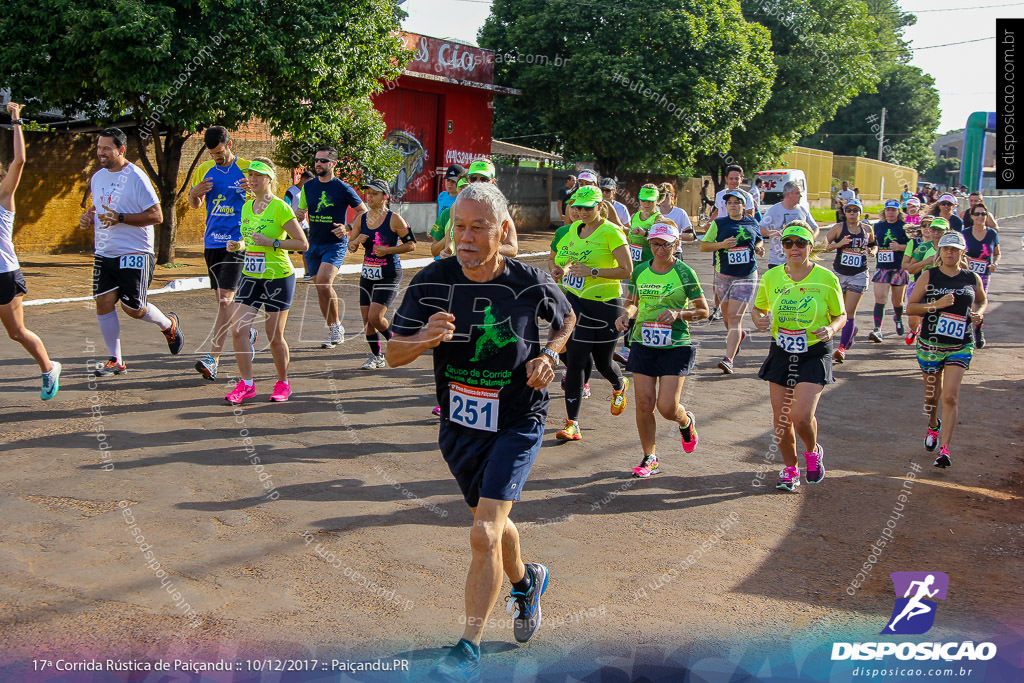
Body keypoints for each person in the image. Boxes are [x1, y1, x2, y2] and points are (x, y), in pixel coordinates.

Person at [386, 182, 576, 681]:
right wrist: (425, 339)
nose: (465, 238)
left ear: (502, 230)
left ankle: (468, 644)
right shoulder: (433, 279)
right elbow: (393, 352)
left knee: (483, 530)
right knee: (490, 526)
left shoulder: (526, 281)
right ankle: (526, 580)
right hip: (459, 424)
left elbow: (567, 318)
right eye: (459, 227)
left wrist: (550, 355)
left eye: (478, 227)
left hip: (518, 416)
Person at [78, 127, 184, 377]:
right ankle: (116, 360)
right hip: (105, 252)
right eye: (98, 147)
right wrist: (87, 218)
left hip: (135, 251)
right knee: (103, 302)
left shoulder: (136, 177)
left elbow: (157, 215)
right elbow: (99, 210)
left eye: (106, 148)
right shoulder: (97, 177)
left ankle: (168, 324)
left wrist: (121, 218)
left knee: (133, 309)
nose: (100, 152)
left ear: (121, 150)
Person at [751, 222, 846, 491]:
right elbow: (758, 309)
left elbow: (841, 315)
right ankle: (790, 469)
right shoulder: (771, 277)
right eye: (788, 243)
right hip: (782, 350)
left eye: (800, 243)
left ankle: (813, 451)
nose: (794, 248)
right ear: (782, 246)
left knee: (801, 416)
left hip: (814, 350)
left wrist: (830, 328)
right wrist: (759, 319)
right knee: (781, 420)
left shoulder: (826, 278)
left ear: (810, 246)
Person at [616, 223, 708, 478]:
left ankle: (685, 421)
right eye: (655, 243)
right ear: (649, 245)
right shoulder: (641, 271)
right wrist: (625, 315)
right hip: (643, 343)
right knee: (644, 404)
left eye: (666, 244)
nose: (660, 249)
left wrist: (680, 314)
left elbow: (703, 310)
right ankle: (650, 457)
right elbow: (632, 303)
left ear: (676, 245)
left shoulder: (684, 272)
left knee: (667, 407)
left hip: (675, 345)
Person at [550, 186, 633, 442]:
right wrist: (558, 270)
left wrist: (593, 272)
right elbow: (556, 257)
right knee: (575, 362)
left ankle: (619, 385)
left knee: (603, 362)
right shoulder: (572, 230)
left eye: (588, 207)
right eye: (578, 207)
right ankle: (572, 423)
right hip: (576, 303)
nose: (582, 212)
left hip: (605, 305)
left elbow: (627, 270)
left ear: (600, 206)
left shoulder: (611, 232)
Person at [223, 158, 308, 404]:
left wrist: (272, 243)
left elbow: (303, 244)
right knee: (238, 329)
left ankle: (283, 382)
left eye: (257, 175)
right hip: (251, 275)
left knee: (274, 334)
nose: (252, 180)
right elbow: (249, 237)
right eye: (250, 175)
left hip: (278, 277)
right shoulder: (247, 206)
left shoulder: (280, 207)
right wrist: (238, 244)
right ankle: (247, 384)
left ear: (269, 178)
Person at [905, 231, 986, 468]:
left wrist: (978, 314)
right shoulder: (930, 276)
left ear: (962, 252)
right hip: (930, 345)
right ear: (940, 251)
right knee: (932, 397)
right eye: (946, 248)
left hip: (960, 345)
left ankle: (945, 449)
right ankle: (933, 424)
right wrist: (936, 305)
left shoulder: (972, 278)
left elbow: (981, 300)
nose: (950, 253)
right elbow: (910, 308)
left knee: (950, 395)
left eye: (954, 249)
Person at [0, 101, 61, 399]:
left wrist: (16, 120)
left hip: (5, 275)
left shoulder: (4, 197)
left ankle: (49, 368)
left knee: (16, 332)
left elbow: (20, 161)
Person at [187, 126, 254, 381]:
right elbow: (195, 204)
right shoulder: (205, 169)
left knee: (226, 301)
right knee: (223, 303)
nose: (217, 157)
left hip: (237, 243)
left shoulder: (248, 167)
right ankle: (247, 333)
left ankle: (212, 358)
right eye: (212, 153)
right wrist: (194, 193)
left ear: (230, 144)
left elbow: (267, 199)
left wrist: (255, 188)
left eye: (220, 152)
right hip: (212, 243)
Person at [295, 145, 368, 349]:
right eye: (316, 160)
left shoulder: (343, 188)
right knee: (320, 287)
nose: (318, 163)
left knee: (325, 283)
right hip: (313, 243)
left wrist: (348, 227)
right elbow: (301, 210)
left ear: (333, 164)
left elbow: (364, 211)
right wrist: (299, 215)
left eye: (323, 161)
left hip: (334, 245)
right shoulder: (308, 187)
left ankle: (337, 328)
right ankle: (333, 326)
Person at [347, 179, 416, 369]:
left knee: (375, 317)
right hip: (368, 273)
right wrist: (356, 241)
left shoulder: (394, 219)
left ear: (385, 196)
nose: (370, 197)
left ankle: (397, 343)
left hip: (389, 273)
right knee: (366, 320)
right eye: (368, 193)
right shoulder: (361, 219)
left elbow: (411, 244)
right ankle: (377, 356)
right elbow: (350, 247)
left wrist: (388, 250)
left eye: (375, 193)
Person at [700, 189, 764, 374]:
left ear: (744, 206)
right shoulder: (719, 223)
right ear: (726, 206)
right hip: (724, 275)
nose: (733, 205)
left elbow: (758, 240)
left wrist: (759, 248)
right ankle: (738, 336)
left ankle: (728, 359)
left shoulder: (751, 222)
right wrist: (722, 245)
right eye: (730, 203)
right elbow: (704, 245)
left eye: (737, 202)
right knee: (728, 318)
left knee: (735, 318)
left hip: (746, 275)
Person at [823, 198, 874, 362]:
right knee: (834, 312)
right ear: (844, 212)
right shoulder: (838, 228)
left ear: (860, 212)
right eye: (849, 210)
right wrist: (840, 244)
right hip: (839, 273)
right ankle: (850, 331)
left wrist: (873, 250)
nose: (852, 213)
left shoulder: (867, 229)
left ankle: (841, 348)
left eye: (855, 210)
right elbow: (822, 247)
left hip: (858, 274)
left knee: (848, 312)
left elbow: (874, 244)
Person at [867, 200, 910, 343]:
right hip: (882, 267)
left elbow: (913, 247)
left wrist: (900, 247)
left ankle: (897, 318)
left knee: (897, 301)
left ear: (899, 212)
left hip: (899, 267)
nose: (891, 213)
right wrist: (872, 249)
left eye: (894, 210)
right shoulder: (878, 226)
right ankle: (877, 328)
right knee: (880, 298)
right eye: (888, 210)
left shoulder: (904, 227)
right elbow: (872, 243)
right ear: (884, 212)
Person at [961, 202, 999, 348]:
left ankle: (978, 329)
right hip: (967, 273)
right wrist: (966, 259)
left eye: (983, 214)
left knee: (979, 302)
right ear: (971, 216)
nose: (980, 217)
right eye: (977, 214)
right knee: (967, 301)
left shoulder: (992, 233)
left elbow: (997, 253)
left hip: (984, 274)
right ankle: (965, 331)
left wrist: (995, 263)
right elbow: (960, 252)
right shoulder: (965, 233)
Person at [902, 215, 944, 345]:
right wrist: (926, 262)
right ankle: (915, 330)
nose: (936, 233)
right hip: (920, 285)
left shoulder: (951, 248)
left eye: (940, 230)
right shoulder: (923, 247)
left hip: (942, 288)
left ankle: (928, 344)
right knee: (913, 321)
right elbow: (910, 269)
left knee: (933, 319)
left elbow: (964, 266)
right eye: (934, 230)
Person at [465, 158, 519, 257]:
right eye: (473, 178)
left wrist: (490, 248)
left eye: (484, 179)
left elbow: (512, 248)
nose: (478, 183)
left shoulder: (499, 209)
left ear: (492, 182)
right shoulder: (458, 206)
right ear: (468, 180)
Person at [759, 181, 819, 270]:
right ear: (788, 194)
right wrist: (769, 233)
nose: (801, 195)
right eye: (797, 193)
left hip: (799, 260)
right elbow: (759, 228)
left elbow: (815, 228)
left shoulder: (802, 210)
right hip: (777, 261)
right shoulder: (774, 210)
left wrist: (810, 239)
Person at [285, 169, 314, 279]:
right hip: (291, 225)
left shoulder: (307, 192)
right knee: (287, 250)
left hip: (304, 225)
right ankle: (287, 272)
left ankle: (307, 273)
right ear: (302, 179)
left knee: (306, 249)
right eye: (308, 181)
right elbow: (286, 206)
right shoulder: (291, 191)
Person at [430, 176, 467, 259]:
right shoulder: (446, 214)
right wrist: (447, 237)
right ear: (457, 191)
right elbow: (434, 251)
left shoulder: (488, 214)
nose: (465, 194)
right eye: (461, 189)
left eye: (468, 189)